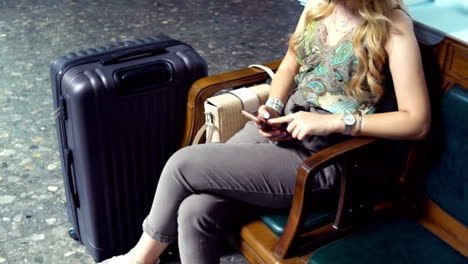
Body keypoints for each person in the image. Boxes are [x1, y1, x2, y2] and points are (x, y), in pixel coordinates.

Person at [99, 0, 430, 263]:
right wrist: (272, 107)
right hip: (288, 127)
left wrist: (334, 122)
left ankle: (139, 259)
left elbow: (417, 121)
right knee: (195, 212)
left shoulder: (392, 25)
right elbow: (289, 65)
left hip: (328, 159)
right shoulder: (317, 7)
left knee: (183, 165)